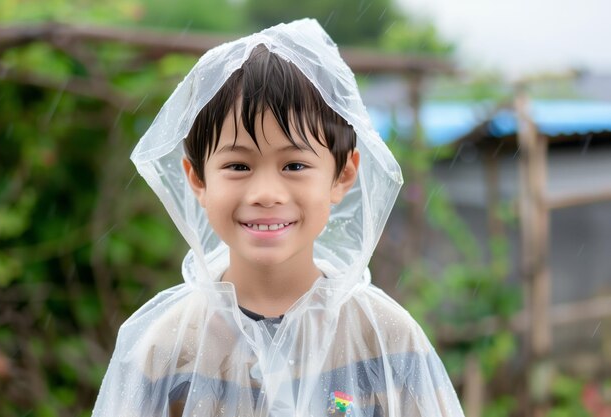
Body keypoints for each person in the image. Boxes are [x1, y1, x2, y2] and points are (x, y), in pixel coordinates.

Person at [92, 19, 465, 417]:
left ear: (343, 175)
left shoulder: (387, 339)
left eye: (294, 165)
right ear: (197, 179)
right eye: (238, 166)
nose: (266, 194)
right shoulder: (164, 347)